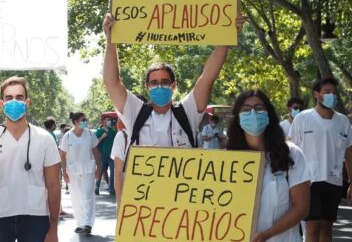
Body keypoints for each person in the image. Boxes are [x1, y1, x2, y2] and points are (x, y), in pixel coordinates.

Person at [102, 13, 244, 151]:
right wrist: (110, 41)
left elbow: (207, 78)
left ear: (173, 85)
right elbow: (111, 82)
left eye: (165, 82)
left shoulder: (188, 112)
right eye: (154, 83)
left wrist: (227, 39)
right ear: (147, 87)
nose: (159, 86)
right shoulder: (135, 112)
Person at [0, 76, 61, 242]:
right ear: (1, 104)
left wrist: (54, 228)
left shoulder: (45, 139)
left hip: (36, 217)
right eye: (9, 98)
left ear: (27, 103)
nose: (14, 102)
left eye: (19, 97)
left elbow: (54, 186)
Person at [227, 90, 311, 241]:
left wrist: (266, 235)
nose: (253, 113)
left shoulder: (292, 154)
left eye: (259, 108)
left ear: (269, 114)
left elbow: (302, 207)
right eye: (246, 110)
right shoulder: (227, 160)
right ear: (237, 118)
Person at [289, 77, 352, 241]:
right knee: (312, 228)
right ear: (317, 94)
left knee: (326, 228)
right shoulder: (303, 118)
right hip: (308, 182)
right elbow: (291, 150)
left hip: (334, 181)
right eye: (327, 92)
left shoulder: (343, 121)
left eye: (333, 92)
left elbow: (349, 154)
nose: (331, 95)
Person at [59, 112, 100, 234]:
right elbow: (63, 155)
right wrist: (64, 172)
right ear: (76, 122)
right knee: (76, 197)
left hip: (88, 170)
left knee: (87, 196)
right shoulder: (67, 136)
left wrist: (99, 168)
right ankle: (80, 223)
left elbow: (96, 152)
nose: (85, 122)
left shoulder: (90, 134)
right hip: (73, 172)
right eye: (83, 120)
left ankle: (88, 223)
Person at [95, 114, 117, 195]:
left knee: (112, 173)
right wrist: (102, 137)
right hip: (102, 155)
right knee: (100, 172)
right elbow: (94, 143)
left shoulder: (113, 131)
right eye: (107, 120)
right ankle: (96, 187)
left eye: (110, 120)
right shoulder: (99, 131)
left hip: (111, 155)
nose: (109, 121)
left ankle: (111, 188)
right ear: (103, 121)